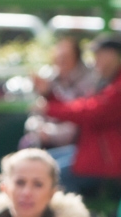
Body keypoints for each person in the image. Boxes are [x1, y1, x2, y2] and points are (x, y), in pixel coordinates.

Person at [35, 32, 121, 217]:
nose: (96, 61)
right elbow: (84, 108)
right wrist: (50, 96)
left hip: (112, 162)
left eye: (100, 55)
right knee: (45, 163)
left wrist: (50, 105)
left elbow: (89, 111)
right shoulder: (108, 82)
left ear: (113, 56)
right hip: (95, 154)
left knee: (56, 173)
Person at [21, 35, 98, 180]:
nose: (60, 62)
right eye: (57, 57)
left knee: (46, 173)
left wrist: (49, 133)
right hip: (48, 141)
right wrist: (39, 130)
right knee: (26, 154)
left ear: (76, 59)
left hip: (79, 147)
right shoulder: (49, 76)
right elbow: (36, 113)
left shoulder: (89, 82)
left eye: (65, 58)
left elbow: (74, 121)